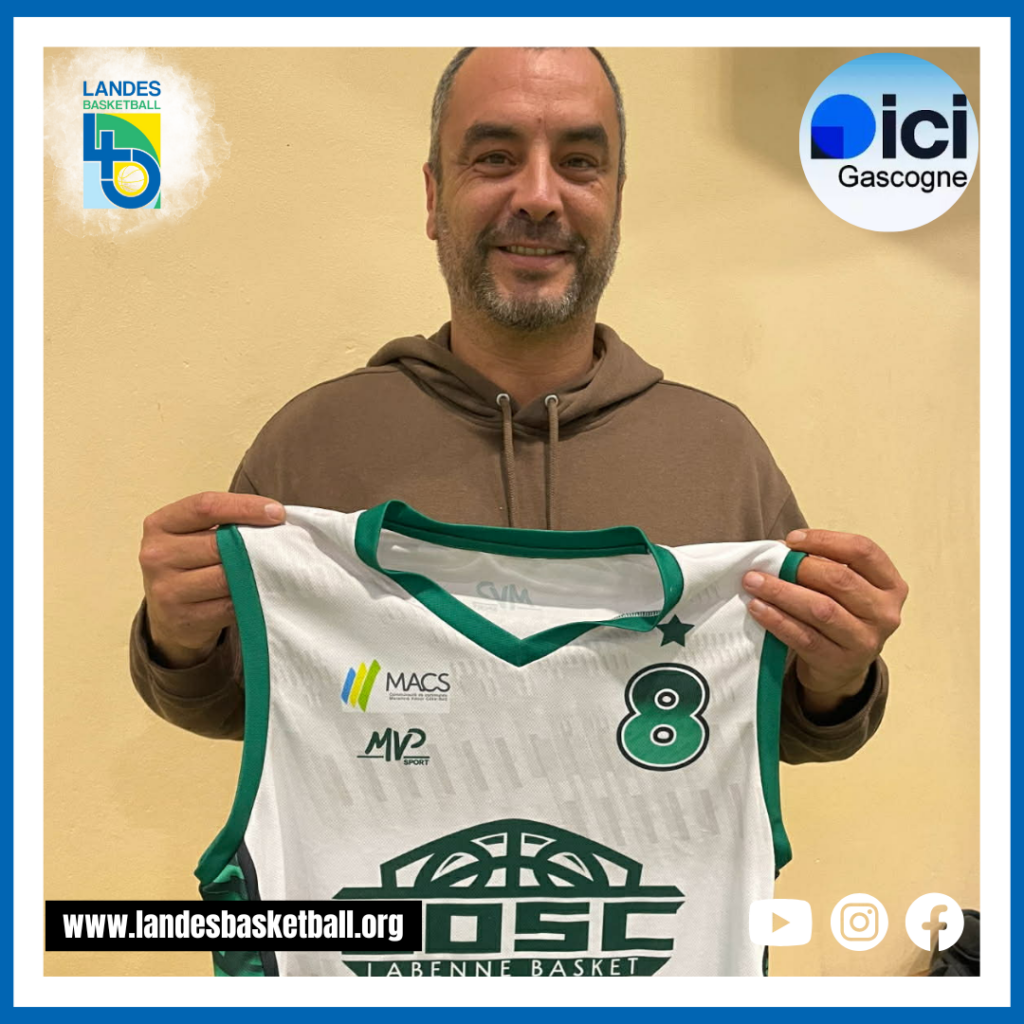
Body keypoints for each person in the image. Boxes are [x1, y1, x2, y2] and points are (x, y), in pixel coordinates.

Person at [131, 46, 907, 762]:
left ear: (616, 200)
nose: (538, 197)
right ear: (434, 196)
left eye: (579, 163)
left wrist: (840, 675)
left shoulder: (720, 453)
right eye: (496, 157)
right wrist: (179, 640)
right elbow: (247, 707)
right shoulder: (312, 443)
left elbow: (779, 730)